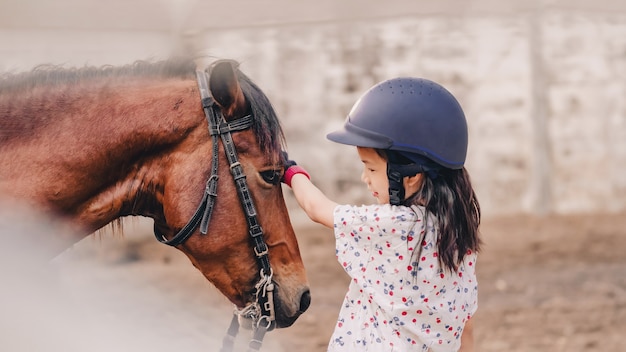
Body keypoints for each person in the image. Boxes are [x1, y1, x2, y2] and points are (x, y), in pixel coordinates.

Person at [281, 77, 481, 352]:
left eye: (371, 168)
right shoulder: (457, 234)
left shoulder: (393, 226)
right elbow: (465, 325)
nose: (364, 178)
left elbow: (317, 209)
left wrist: (290, 171)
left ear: (411, 177)